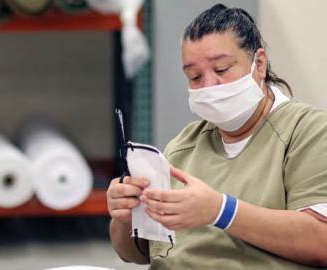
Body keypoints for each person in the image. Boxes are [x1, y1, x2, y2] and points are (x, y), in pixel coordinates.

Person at [107, 3, 327, 269]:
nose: (209, 86)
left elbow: (320, 242)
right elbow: (136, 254)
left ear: (258, 63)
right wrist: (125, 216)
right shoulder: (183, 147)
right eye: (195, 76)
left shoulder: (307, 132)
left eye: (221, 69)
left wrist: (221, 211)